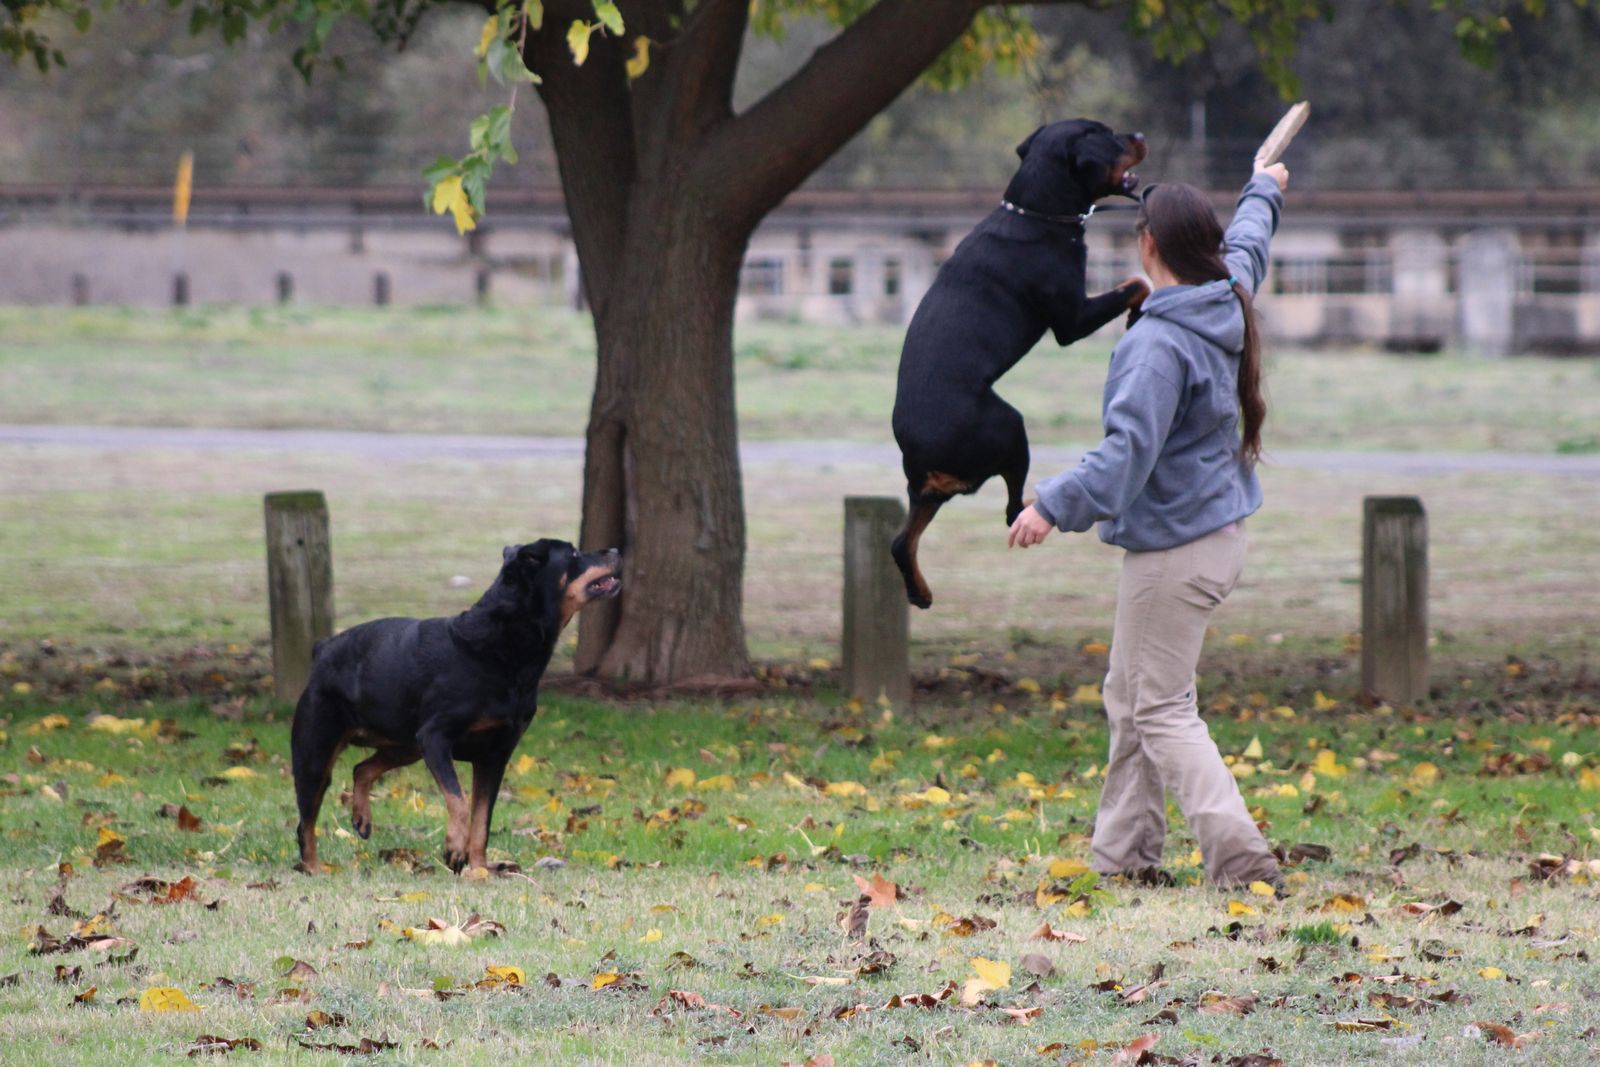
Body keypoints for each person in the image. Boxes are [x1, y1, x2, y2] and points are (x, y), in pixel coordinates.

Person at [1006, 159, 1290, 889]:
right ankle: (1126, 857)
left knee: (1160, 707)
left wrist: (1049, 505)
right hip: (1211, 536)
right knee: (1132, 697)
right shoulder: (1226, 295)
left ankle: (1243, 862)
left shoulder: (1157, 344)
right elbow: (1250, 244)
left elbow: (1124, 457)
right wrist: (1262, 186)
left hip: (1175, 550)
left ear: (1149, 244)